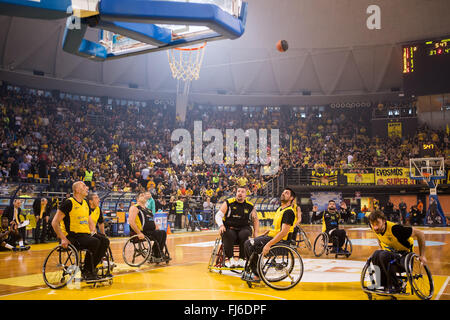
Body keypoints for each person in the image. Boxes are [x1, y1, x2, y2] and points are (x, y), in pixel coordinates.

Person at [52, 181, 109, 282]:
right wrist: (63, 238)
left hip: (84, 235)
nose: (87, 188)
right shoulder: (69, 203)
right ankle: (86, 271)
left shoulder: (85, 203)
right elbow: (54, 222)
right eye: (84, 186)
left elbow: (89, 219)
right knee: (94, 242)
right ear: (77, 190)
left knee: (104, 240)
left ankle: (91, 268)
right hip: (72, 236)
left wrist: (93, 231)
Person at [243, 188, 297, 282]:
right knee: (248, 243)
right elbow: (277, 227)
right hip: (271, 237)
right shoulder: (280, 209)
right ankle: (254, 270)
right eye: (283, 192)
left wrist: (269, 244)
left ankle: (257, 273)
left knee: (249, 244)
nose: (283, 194)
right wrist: (268, 231)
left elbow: (284, 232)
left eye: (287, 193)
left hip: (280, 242)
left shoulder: (289, 212)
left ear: (291, 198)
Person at [368, 210, 427, 292]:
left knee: (383, 255)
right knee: (376, 254)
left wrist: (422, 255)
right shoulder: (373, 226)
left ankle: (396, 285)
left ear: (384, 221)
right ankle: (382, 285)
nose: (375, 227)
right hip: (392, 255)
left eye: (377, 223)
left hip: (405, 257)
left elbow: (420, 233)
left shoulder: (396, 229)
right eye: (373, 224)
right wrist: (380, 247)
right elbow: (378, 235)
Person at [215, 186, 259, 268]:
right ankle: (231, 259)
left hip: (244, 228)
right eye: (238, 191)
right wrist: (221, 225)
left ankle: (242, 259)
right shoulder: (228, 202)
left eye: (242, 192)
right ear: (236, 193)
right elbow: (218, 215)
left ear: (246, 195)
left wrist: (256, 233)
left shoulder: (250, 206)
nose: (240, 193)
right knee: (228, 234)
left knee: (245, 234)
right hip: (230, 228)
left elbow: (255, 220)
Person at [128, 191, 169, 261]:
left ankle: (158, 252)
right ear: (137, 198)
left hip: (150, 231)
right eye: (141, 195)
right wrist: (138, 233)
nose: (144, 196)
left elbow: (151, 220)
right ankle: (156, 253)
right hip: (142, 232)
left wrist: (156, 226)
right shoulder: (134, 208)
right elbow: (131, 222)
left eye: (144, 196)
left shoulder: (147, 210)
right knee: (159, 234)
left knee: (163, 232)